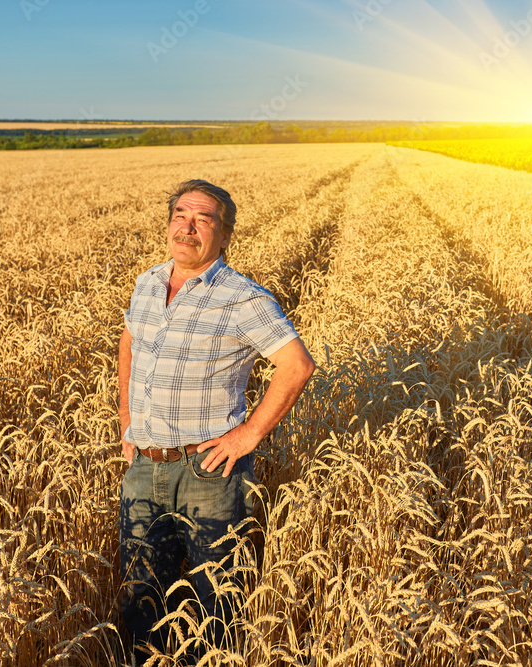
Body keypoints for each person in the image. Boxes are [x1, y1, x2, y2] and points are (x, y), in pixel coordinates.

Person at [117, 179, 315, 660]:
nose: (187, 228)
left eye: (203, 219)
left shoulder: (242, 297)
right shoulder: (147, 283)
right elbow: (128, 342)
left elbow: (297, 365)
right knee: (140, 603)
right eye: (180, 215)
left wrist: (249, 434)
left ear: (224, 235)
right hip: (143, 467)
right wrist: (127, 418)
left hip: (210, 473)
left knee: (217, 605)